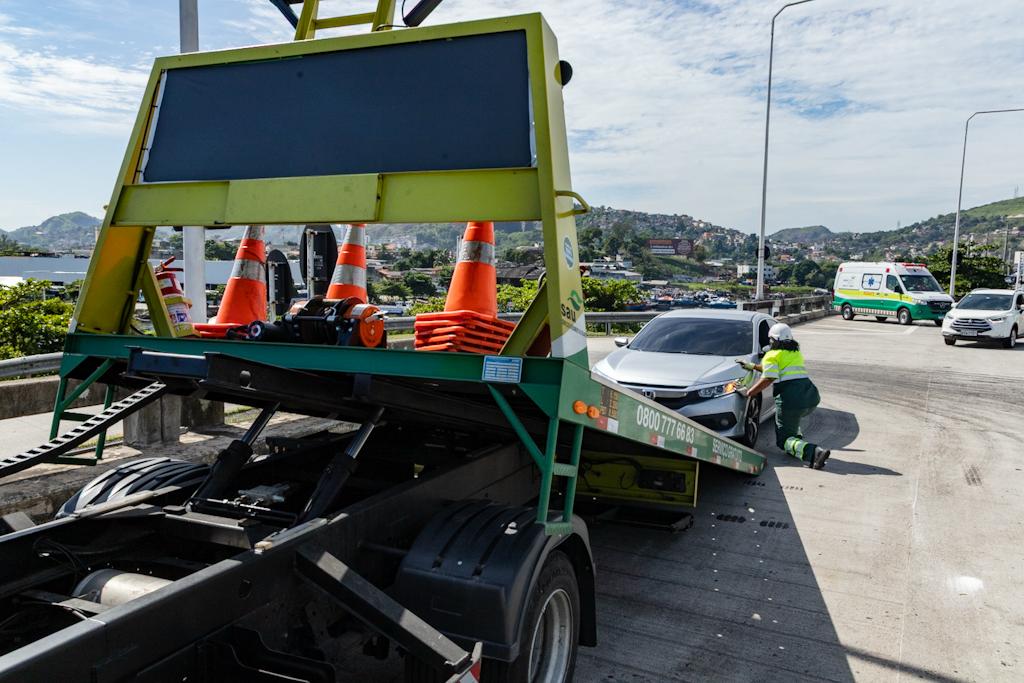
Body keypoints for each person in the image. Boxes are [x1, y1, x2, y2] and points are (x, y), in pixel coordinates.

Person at [737, 323, 830, 469]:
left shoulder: (771, 355)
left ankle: (815, 453)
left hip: (791, 400)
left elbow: (769, 377)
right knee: (791, 423)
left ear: (773, 340)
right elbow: (774, 367)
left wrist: (749, 392)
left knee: (783, 440)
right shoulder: (795, 353)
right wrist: (753, 366)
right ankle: (796, 445)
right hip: (811, 397)